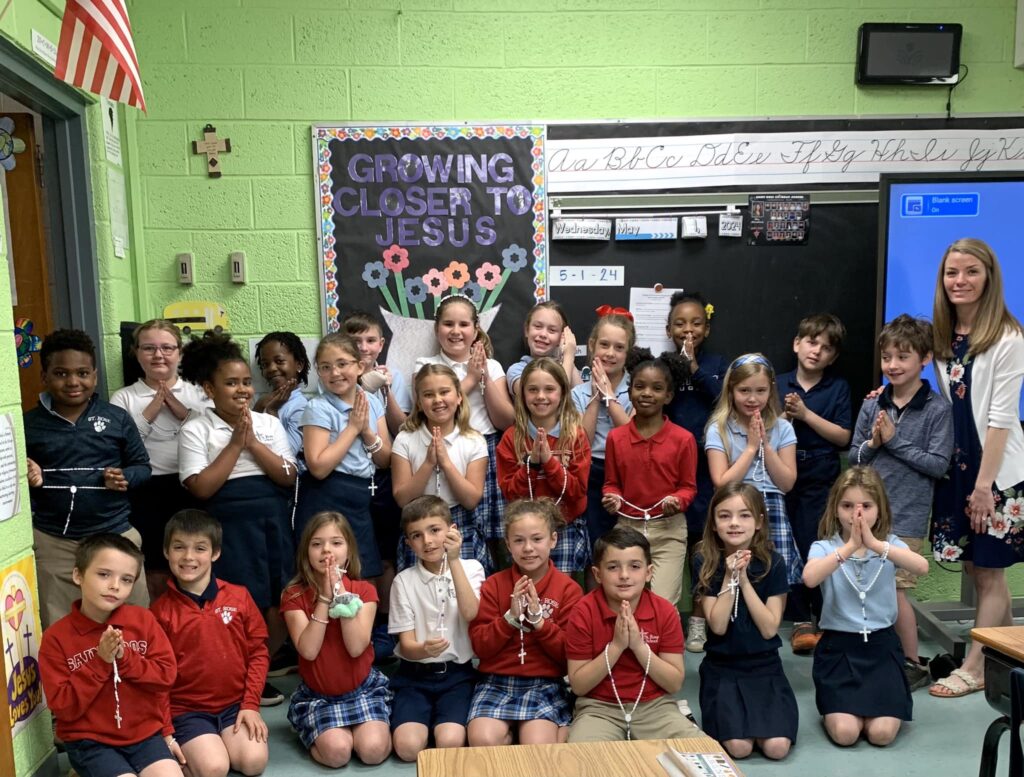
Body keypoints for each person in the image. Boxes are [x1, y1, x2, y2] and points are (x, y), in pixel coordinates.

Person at [178, 332, 296, 707]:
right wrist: (234, 445)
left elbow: (288, 475)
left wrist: (253, 443)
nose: (242, 389)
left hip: (272, 517)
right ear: (209, 389)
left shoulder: (267, 424)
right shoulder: (196, 428)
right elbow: (200, 488)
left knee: (281, 599)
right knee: (238, 602)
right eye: (231, 383)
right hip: (228, 522)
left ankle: (254, 671)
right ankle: (238, 677)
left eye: (246, 382)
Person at [928, 238, 1024, 698]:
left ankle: (976, 666)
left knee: (989, 571)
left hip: (994, 473)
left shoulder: (1007, 337)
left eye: (970, 272)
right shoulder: (944, 336)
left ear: (989, 277)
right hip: (959, 467)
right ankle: (1008, 655)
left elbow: (1001, 419)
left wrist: (984, 487)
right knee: (976, 568)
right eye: (952, 273)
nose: (960, 281)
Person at [850, 314, 953, 690]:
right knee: (864, 587)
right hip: (865, 514)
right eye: (887, 357)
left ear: (924, 358)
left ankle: (912, 663)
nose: (892, 365)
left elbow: (938, 465)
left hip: (906, 517)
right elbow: (855, 459)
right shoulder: (874, 403)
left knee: (896, 591)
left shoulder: (937, 410)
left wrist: (893, 441)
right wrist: (874, 444)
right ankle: (878, 654)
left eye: (903, 357)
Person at [26, 328, 152, 629]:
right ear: (44, 377)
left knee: (132, 624)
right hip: (54, 540)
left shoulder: (116, 417)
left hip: (114, 534)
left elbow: (142, 466)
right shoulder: (28, 424)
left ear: (94, 376)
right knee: (61, 627)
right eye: (61, 373)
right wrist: (27, 473)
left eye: (82, 373)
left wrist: (125, 477)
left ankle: (131, 675)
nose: (72, 382)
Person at [803, 467, 929, 746]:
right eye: (847, 506)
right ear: (835, 509)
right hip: (839, 651)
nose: (856, 514)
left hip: (882, 650)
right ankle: (839, 705)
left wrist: (873, 544)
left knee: (881, 735)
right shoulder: (824, 547)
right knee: (846, 734)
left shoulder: (889, 545)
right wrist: (849, 547)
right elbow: (810, 578)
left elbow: (921, 567)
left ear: (880, 510)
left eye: (866, 506)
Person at [39, 534, 182, 777]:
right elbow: (63, 708)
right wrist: (100, 661)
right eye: (104, 574)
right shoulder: (56, 637)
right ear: (78, 575)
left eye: (126, 579)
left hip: (144, 736)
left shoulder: (143, 620)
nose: (115, 585)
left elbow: (166, 677)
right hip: (89, 742)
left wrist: (126, 659)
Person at [151, 510, 269, 777]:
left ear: (215, 553)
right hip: (187, 712)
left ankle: (219, 741)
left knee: (254, 762)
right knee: (214, 768)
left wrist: (251, 704)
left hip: (235, 706)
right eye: (179, 547)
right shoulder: (159, 613)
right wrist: (166, 730)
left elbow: (258, 653)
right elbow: (156, 678)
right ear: (166, 552)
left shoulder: (239, 597)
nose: (189, 557)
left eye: (200, 548)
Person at [565, 526, 698, 742]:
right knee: (580, 761)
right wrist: (616, 646)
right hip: (598, 708)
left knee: (699, 752)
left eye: (635, 566)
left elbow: (674, 683)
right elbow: (579, 685)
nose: (624, 575)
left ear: (648, 573)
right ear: (598, 574)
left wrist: (638, 646)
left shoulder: (664, 611)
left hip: (655, 706)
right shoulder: (583, 611)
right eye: (613, 567)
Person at [693, 483, 797, 760]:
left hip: (765, 668)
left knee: (777, 748)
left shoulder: (774, 562)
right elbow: (717, 626)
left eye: (744, 515)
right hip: (723, 668)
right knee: (739, 748)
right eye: (724, 516)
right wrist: (728, 577)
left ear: (759, 522)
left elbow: (768, 627)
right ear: (714, 524)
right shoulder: (703, 561)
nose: (734, 523)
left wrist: (744, 579)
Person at [467, 498, 583, 746]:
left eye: (537, 539)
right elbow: (480, 647)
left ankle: (539, 731)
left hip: (544, 682)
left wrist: (540, 623)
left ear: (553, 540)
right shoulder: (494, 585)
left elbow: (569, 655)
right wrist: (509, 619)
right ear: (508, 544)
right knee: (482, 740)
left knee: (537, 747)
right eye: (519, 540)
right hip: (496, 680)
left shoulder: (568, 589)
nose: (528, 548)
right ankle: (516, 733)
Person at [281, 511, 392, 767]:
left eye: (336, 543)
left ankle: (364, 729)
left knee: (373, 751)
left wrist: (340, 592)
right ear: (306, 552)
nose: (326, 551)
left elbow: (355, 648)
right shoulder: (293, 595)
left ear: (349, 550)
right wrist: (323, 598)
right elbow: (308, 651)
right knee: (337, 754)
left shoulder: (365, 591)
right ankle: (313, 730)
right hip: (319, 695)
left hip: (362, 690)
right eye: (317, 544)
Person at [111, 319, 210, 602]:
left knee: (193, 562)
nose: (159, 355)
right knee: (154, 566)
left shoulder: (199, 393)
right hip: (147, 490)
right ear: (137, 353)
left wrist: (181, 410)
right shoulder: (124, 398)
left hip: (192, 486)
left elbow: (211, 437)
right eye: (149, 348)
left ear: (179, 352)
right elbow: (123, 446)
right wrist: (154, 407)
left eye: (167, 347)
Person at [414, 295, 513, 568]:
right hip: (445, 449)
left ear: (476, 329)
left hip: (488, 450)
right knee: (457, 530)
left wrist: (483, 375)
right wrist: (468, 378)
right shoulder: (426, 365)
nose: (456, 331)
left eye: (463, 324)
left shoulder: (491, 366)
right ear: (437, 329)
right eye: (448, 324)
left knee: (496, 534)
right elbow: (431, 408)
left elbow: (505, 419)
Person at [776, 313, 852, 653]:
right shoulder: (777, 384)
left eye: (825, 348)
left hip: (821, 473)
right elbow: (762, 429)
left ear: (832, 357)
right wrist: (784, 417)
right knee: (784, 541)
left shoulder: (838, 388)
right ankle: (798, 619)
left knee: (816, 541)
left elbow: (843, 437)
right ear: (796, 343)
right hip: (781, 470)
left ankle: (823, 615)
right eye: (810, 342)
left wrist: (806, 415)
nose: (816, 351)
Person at [388, 496, 485, 761]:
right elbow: (406, 645)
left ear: (453, 531)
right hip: (414, 675)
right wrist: (423, 650)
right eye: (417, 536)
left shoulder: (472, 568)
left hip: (458, 676)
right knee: (408, 750)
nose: (428, 541)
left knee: (450, 742)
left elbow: (471, 613)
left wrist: (453, 561)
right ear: (409, 543)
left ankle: (440, 725)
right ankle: (421, 724)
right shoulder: (403, 581)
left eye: (435, 530)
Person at [602, 348, 697, 606]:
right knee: (625, 600)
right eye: (639, 386)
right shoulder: (616, 438)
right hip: (627, 528)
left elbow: (688, 487)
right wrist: (613, 498)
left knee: (663, 604)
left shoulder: (683, 439)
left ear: (668, 396)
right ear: (630, 391)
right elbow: (612, 483)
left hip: (669, 531)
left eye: (656, 389)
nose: (646, 394)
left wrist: (677, 501)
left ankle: (661, 645)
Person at [664, 291, 729, 653]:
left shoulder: (719, 364)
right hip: (673, 470)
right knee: (674, 546)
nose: (688, 329)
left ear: (707, 326)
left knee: (705, 551)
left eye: (696, 323)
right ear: (669, 328)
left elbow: (725, 399)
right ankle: (667, 619)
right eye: (680, 323)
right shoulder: (664, 363)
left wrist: (694, 369)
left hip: (710, 468)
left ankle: (699, 621)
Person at [298, 333, 391, 577]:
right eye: (325, 367)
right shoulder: (318, 407)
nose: (335, 373)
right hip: (327, 494)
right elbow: (318, 466)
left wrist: (367, 431)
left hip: (361, 495)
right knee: (328, 572)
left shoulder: (371, 401)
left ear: (360, 366)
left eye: (342, 364)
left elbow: (385, 459)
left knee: (363, 573)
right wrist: (352, 429)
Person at [706, 354, 802, 588]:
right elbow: (721, 482)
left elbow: (787, 483)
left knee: (772, 580)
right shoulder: (718, 429)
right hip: (734, 510)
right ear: (731, 390)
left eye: (760, 391)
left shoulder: (783, 428)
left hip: (772, 510)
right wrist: (750, 447)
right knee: (734, 575)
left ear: (770, 391)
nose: (752, 398)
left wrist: (765, 445)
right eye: (744, 390)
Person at [497, 358, 592, 574]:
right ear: (522, 395)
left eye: (549, 389)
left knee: (559, 597)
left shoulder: (575, 435)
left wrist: (550, 463)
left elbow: (577, 491)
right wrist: (531, 465)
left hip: (564, 529)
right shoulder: (512, 438)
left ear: (562, 393)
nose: (541, 396)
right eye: (533, 390)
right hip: (525, 534)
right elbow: (510, 493)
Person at [392, 364, 490, 572]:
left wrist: (445, 463)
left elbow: (471, 499)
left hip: (460, 523)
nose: (437, 400)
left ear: (459, 397)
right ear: (419, 403)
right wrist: (428, 464)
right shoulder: (405, 439)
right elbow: (402, 498)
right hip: (419, 528)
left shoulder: (474, 440)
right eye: (428, 395)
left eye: (444, 392)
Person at [571, 308, 635, 566]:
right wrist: (596, 398)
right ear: (591, 345)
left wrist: (611, 397)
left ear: (628, 352)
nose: (610, 353)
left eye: (619, 347)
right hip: (591, 472)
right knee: (596, 549)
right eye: (604, 345)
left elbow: (632, 437)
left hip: (627, 473)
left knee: (627, 548)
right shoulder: (578, 393)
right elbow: (581, 442)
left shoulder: (636, 389)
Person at [342, 310, 412, 436]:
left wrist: (387, 392)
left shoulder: (394, 377)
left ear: (381, 345)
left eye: (370, 341)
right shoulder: (335, 378)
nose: (363, 348)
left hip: (385, 451)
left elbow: (401, 431)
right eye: (356, 341)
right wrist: (364, 386)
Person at [253, 330, 311, 462]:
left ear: (299, 365)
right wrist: (259, 405)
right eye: (265, 364)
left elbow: (287, 453)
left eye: (279, 361)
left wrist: (272, 411)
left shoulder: (302, 407)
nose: (272, 368)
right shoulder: (261, 400)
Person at [506, 300, 582, 395]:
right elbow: (557, 397)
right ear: (527, 330)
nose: (543, 334)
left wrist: (567, 356)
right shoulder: (517, 370)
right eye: (538, 326)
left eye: (552, 330)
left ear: (562, 337)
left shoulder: (568, 365)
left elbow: (583, 404)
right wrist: (569, 356)